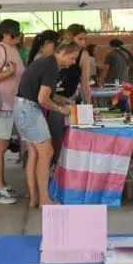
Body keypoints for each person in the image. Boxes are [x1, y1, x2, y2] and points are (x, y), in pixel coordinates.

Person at [13, 40, 79, 207]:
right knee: (47, 153)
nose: (72, 63)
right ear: (62, 54)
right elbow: (43, 99)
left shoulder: (44, 62)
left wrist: (62, 99)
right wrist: (60, 109)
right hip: (29, 110)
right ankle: (44, 199)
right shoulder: (51, 67)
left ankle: (34, 197)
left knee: (34, 155)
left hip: (22, 107)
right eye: (71, 58)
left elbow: (42, 93)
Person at [0, 19, 26, 204]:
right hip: (0, 104)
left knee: (3, 145)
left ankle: (2, 185)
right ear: (7, 34)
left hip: (11, 104)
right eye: (16, 32)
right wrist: (9, 73)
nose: (19, 36)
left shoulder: (13, 50)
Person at [46, 24, 91, 161]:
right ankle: (55, 162)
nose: (83, 43)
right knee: (55, 134)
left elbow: (85, 81)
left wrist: (88, 103)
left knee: (69, 133)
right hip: (51, 99)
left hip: (69, 99)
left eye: (84, 39)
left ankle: (64, 162)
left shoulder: (83, 54)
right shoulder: (57, 51)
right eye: (80, 39)